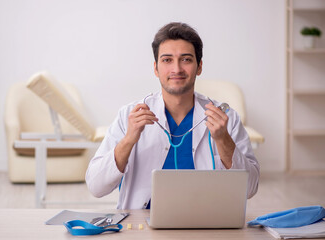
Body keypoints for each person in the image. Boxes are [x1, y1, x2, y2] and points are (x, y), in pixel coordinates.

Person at [86, 22, 259, 210]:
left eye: (186, 59)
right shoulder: (129, 116)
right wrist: (129, 140)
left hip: (207, 223)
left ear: (199, 67)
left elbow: (249, 189)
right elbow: (96, 187)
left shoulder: (225, 118)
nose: (176, 69)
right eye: (167, 60)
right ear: (156, 68)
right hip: (143, 226)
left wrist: (223, 139)